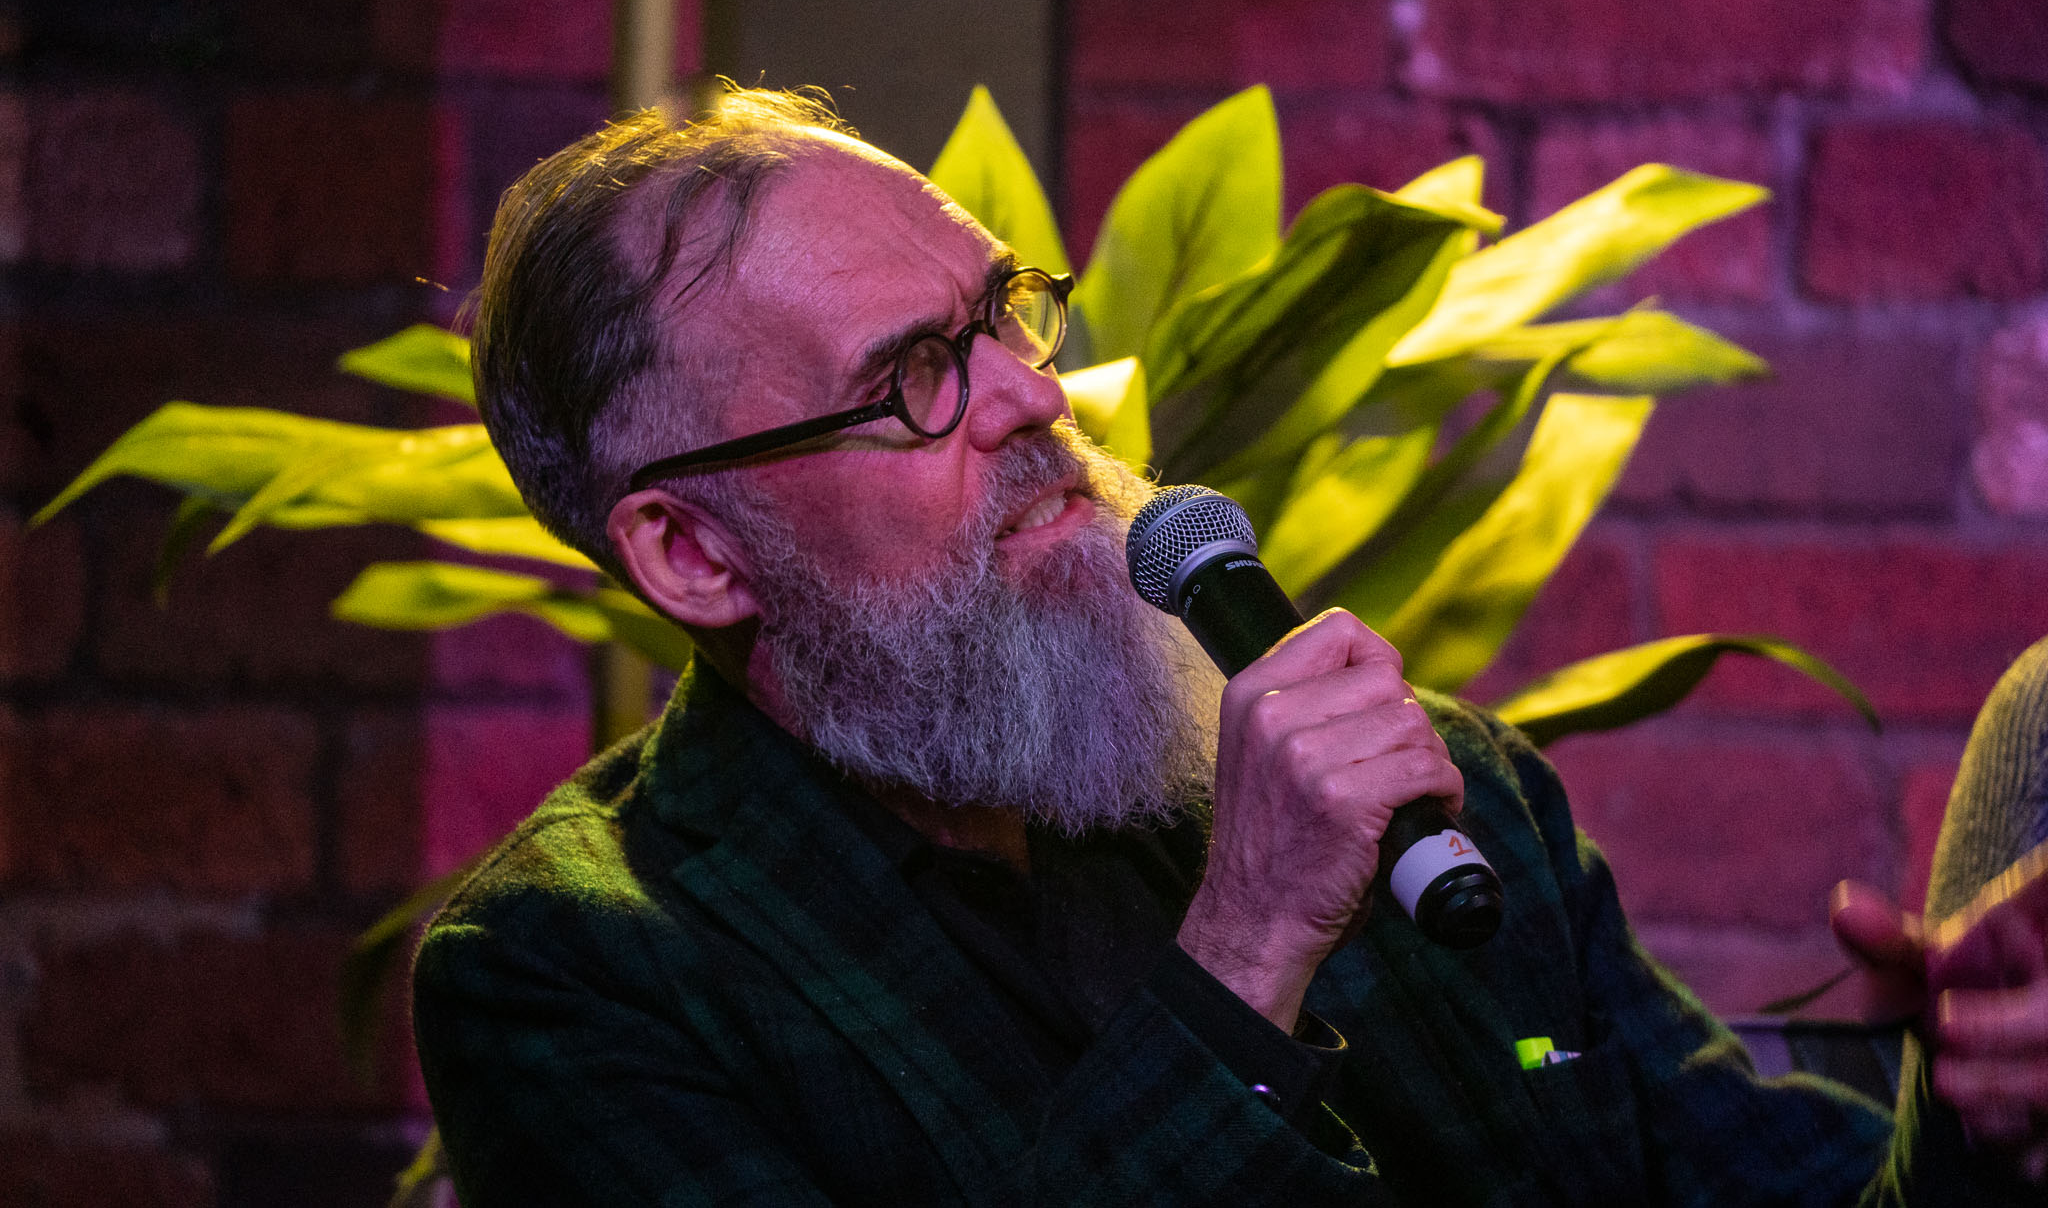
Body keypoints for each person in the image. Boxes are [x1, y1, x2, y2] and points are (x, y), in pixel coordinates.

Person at [411, 87, 2048, 1205]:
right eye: (913, 377)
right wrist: (1247, 948)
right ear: (693, 553)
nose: (1034, 396)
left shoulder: (1435, 798)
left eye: (1004, 312)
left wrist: (1981, 1121)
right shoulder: (576, 972)